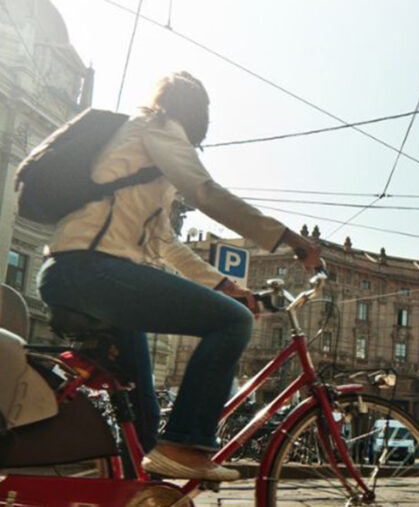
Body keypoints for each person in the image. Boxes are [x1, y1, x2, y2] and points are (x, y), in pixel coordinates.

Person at [37, 72, 321, 481]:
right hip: (89, 271)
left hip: (82, 274)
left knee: (143, 411)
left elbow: (167, 244)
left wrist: (223, 285)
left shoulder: (145, 155)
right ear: (194, 112)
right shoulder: (157, 126)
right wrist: (289, 239)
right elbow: (205, 192)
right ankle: (188, 444)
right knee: (232, 321)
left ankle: (144, 489)